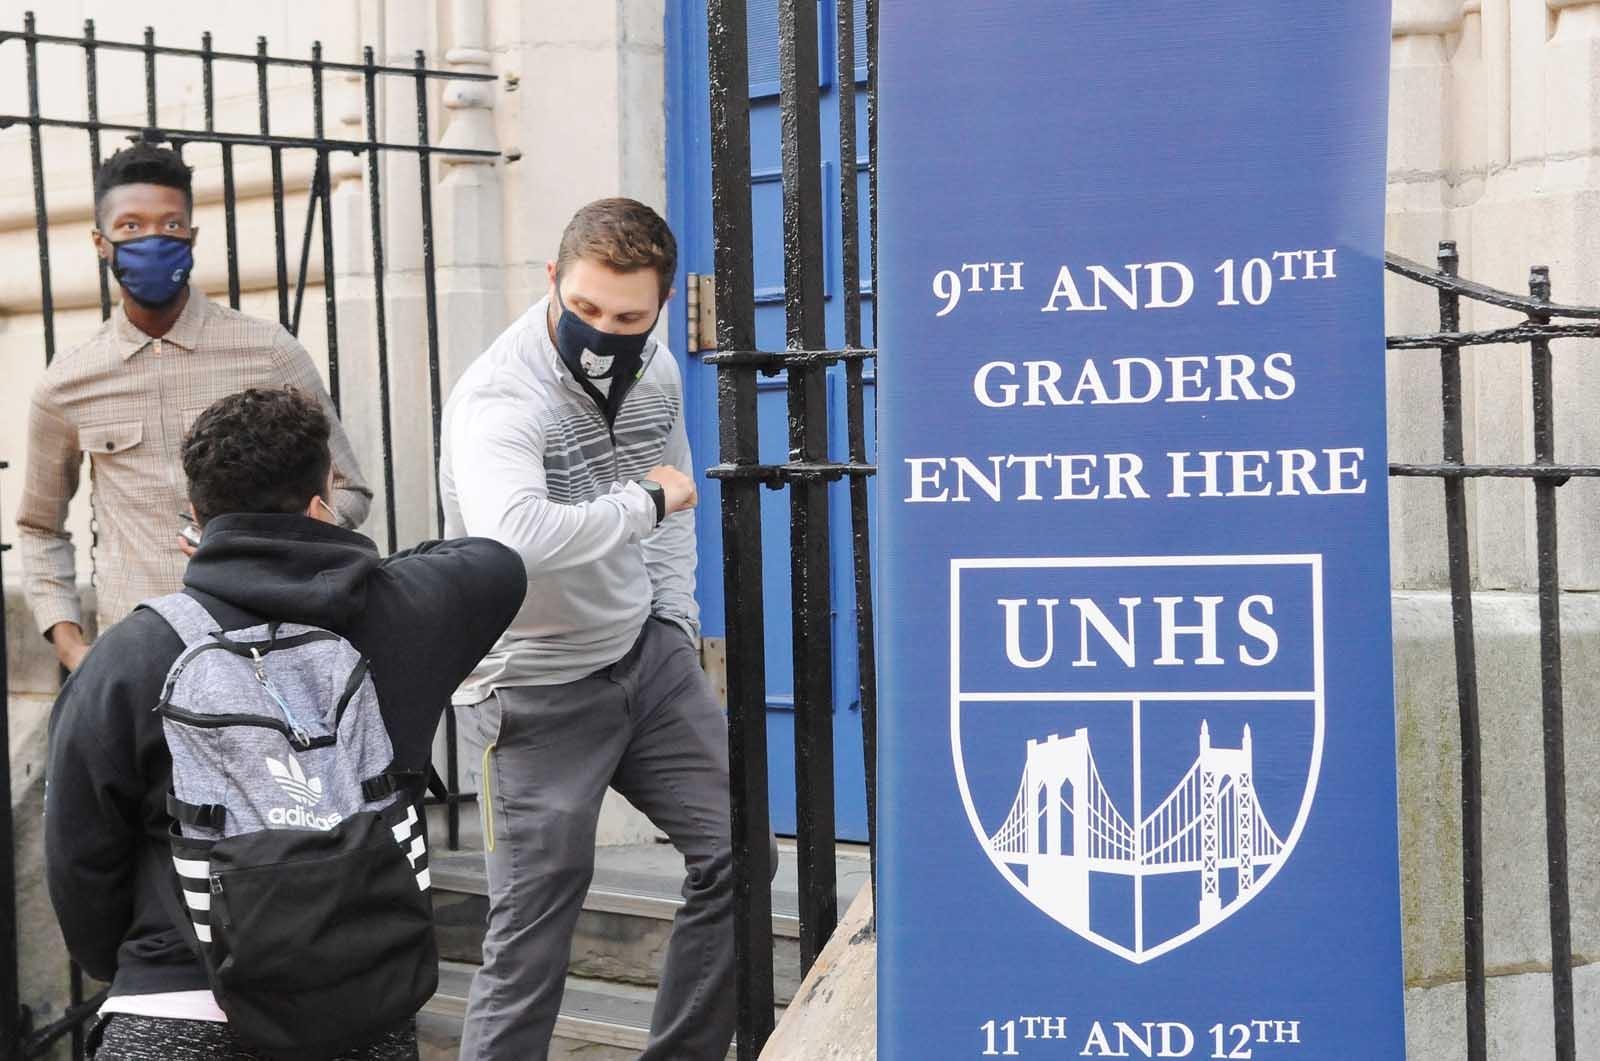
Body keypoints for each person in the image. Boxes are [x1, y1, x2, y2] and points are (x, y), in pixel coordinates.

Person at [45, 386, 526, 1060]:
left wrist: (133, 961)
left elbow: (79, 861)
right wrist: (331, 555)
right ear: (323, 495)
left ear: (195, 513)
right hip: (359, 1003)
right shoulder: (405, 612)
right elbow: (495, 562)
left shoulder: (130, 654)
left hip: (177, 1003)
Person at [442, 198, 759, 1060]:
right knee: (532, 933)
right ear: (551, 277)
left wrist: (674, 620)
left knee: (739, 852)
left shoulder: (655, 365)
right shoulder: (502, 396)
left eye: (626, 316)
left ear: (662, 304)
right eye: (584, 307)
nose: (603, 331)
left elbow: (677, 488)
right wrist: (642, 502)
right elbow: (517, 537)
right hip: (530, 687)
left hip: (643, 659)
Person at [16, 140, 371, 672]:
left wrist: (277, 550)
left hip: (262, 645)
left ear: (192, 236)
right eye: (131, 226)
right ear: (101, 242)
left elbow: (347, 488)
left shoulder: (267, 350)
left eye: (171, 225)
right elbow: (40, 527)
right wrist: (72, 647)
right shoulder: (68, 381)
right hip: (138, 652)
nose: (153, 239)